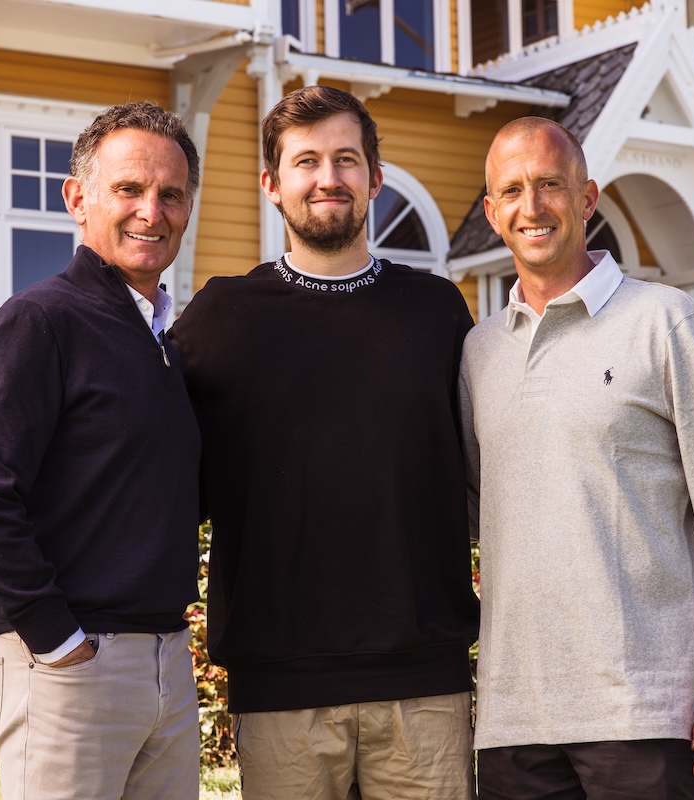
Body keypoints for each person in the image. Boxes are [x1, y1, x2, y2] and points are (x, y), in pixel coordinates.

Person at [459, 116, 694, 798]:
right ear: (492, 213)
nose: (533, 206)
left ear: (587, 198)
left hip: (645, 717)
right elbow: (472, 512)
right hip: (512, 723)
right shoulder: (479, 353)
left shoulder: (665, 322)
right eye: (513, 190)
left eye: (551, 184)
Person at [169, 85, 480, 800]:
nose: (328, 177)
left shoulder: (435, 313)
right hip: (280, 684)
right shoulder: (222, 319)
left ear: (376, 176)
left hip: (423, 682)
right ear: (273, 185)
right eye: (305, 161)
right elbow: (156, 467)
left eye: (346, 158)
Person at [0, 101, 203, 800]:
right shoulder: (41, 322)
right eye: (129, 190)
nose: (153, 211)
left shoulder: (159, 338)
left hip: (166, 666)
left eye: (171, 195)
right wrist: (60, 643)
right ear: (78, 199)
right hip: (72, 669)